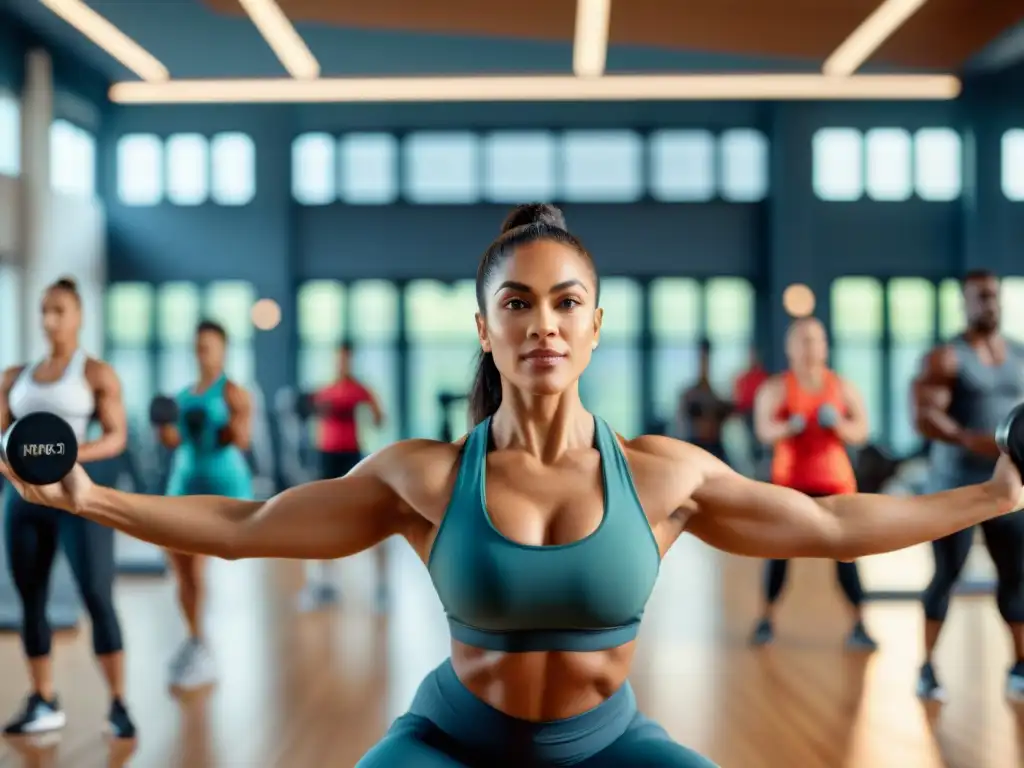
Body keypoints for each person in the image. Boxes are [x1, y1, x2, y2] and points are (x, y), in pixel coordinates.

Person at [2, 206, 1022, 767]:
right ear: (483, 326)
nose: (543, 322)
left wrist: (988, 498)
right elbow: (246, 524)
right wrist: (92, 500)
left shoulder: (664, 475)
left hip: (609, 743)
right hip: (451, 740)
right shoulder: (424, 477)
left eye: (565, 302)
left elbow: (832, 520)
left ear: (594, 325)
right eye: (517, 302)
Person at [0, 277, 135, 738]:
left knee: (97, 593)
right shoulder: (14, 376)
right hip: (24, 501)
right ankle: (44, 699)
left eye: (59, 310)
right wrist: (11, 468)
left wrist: (67, 454)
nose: (49, 319)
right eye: (43, 310)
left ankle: (118, 704)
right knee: (30, 599)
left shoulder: (95, 373)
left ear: (78, 316)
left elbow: (117, 436)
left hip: (78, 498)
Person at [911, 269, 1024, 702]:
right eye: (979, 297)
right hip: (955, 486)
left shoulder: (1017, 353)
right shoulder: (947, 358)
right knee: (946, 576)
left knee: (1015, 579)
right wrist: (968, 438)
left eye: (993, 295)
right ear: (965, 302)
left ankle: (1018, 666)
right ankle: (926, 668)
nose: (988, 303)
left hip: (1007, 489)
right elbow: (924, 414)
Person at [748, 317, 878, 650]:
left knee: (847, 555)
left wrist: (839, 426)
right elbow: (763, 430)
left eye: (816, 340)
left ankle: (859, 625)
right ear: (790, 347)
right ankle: (765, 619)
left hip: (835, 484)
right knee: (778, 553)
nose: (810, 346)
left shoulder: (842, 387)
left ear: (825, 346)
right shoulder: (778, 388)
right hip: (790, 484)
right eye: (803, 340)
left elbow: (861, 431)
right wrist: (789, 426)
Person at [156, 320, 253, 690]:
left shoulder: (234, 393)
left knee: (195, 568)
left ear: (223, 349)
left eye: (209, 346)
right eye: (198, 346)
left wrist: (227, 427)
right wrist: (163, 426)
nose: (203, 353)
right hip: (183, 483)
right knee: (180, 565)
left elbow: (243, 439)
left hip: (220, 485)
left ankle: (200, 645)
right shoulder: (184, 394)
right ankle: (196, 639)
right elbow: (173, 440)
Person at [300, 342, 386, 611]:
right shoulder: (324, 393)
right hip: (327, 457)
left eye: (346, 360)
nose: (342, 364)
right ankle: (324, 584)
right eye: (338, 359)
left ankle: (381, 587)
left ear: (351, 361)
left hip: (352, 456)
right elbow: (304, 415)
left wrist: (370, 407)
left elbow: (379, 419)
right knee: (323, 520)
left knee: (371, 517)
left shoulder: (359, 390)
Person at [677, 339, 733, 464]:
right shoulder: (689, 396)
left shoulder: (716, 396)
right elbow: (680, 426)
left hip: (714, 449)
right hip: (695, 448)